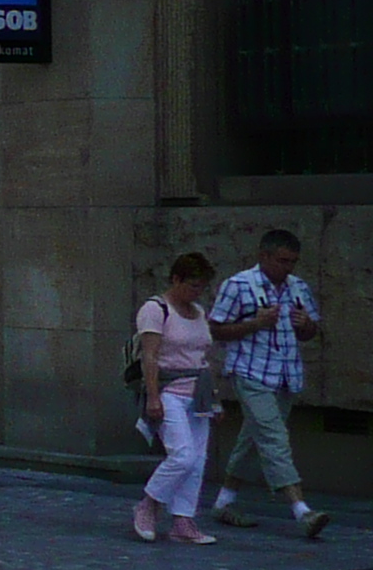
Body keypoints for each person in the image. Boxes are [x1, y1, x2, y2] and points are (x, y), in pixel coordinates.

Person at [207, 228, 330, 538]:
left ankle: (225, 501)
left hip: (286, 376)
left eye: (292, 262)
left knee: (255, 437)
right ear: (263, 256)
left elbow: (310, 331)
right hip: (250, 373)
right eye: (281, 260)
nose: (287, 268)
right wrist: (255, 324)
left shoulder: (297, 288)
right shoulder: (238, 286)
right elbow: (216, 329)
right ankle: (301, 509)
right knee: (274, 439)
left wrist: (306, 326)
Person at [133, 252, 224, 546]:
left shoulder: (197, 312)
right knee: (182, 454)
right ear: (176, 279)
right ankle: (149, 504)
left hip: (197, 392)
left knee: (197, 459)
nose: (197, 292)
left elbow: (203, 358)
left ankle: (183, 519)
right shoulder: (156, 309)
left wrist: (215, 398)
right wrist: (152, 396)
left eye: (201, 287)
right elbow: (151, 355)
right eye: (193, 285)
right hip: (169, 389)